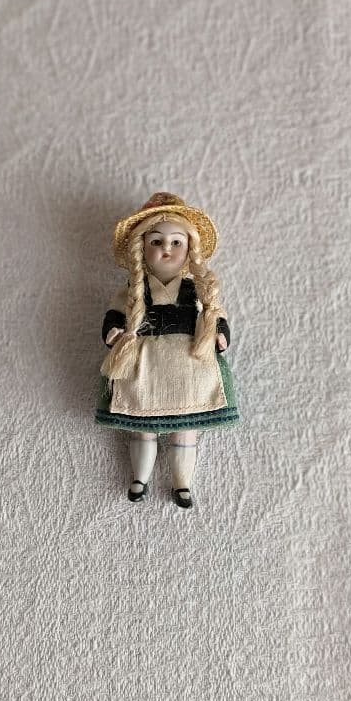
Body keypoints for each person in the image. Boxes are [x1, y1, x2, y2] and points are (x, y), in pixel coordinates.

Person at [95, 192, 240, 508]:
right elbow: (115, 313)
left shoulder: (196, 290)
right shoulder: (133, 291)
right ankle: (139, 478)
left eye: (176, 242)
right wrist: (114, 329)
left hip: (190, 365)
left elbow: (217, 315)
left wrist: (219, 332)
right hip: (144, 365)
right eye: (157, 241)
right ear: (141, 247)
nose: (166, 249)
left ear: (189, 248)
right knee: (142, 428)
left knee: (186, 429)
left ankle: (181, 483)